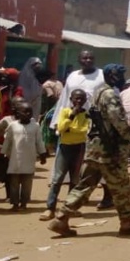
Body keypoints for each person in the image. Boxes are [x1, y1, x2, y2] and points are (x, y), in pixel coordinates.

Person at [47, 63, 130, 237]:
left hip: (96, 148)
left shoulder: (99, 91)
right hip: (110, 150)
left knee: (85, 185)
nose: (122, 79)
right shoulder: (109, 94)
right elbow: (118, 121)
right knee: (121, 186)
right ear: (113, 76)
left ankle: (61, 218)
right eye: (120, 75)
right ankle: (127, 223)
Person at [48, 50, 113, 209]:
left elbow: (110, 97)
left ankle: (107, 196)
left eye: (91, 57)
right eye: (84, 57)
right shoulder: (73, 76)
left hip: (96, 123)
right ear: (79, 60)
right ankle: (64, 201)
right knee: (70, 166)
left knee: (97, 161)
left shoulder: (102, 75)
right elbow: (64, 98)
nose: (88, 60)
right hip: (72, 123)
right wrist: (57, 122)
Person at [41, 89, 89, 220]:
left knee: (74, 180)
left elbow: (85, 130)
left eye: (81, 98)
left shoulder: (86, 115)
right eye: (76, 98)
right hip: (64, 148)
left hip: (79, 148)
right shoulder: (65, 112)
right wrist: (72, 116)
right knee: (57, 179)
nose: (79, 101)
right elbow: (61, 128)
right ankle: (50, 208)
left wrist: (70, 129)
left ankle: (69, 208)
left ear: (85, 100)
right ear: (71, 100)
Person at [3, 101, 47, 211]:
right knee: (14, 184)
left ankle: (24, 203)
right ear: (17, 114)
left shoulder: (35, 126)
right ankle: (15, 204)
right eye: (25, 112)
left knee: (27, 184)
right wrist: (4, 154)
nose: (27, 114)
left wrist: (42, 154)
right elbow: (7, 141)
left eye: (30, 112)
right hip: (14, 160)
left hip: (29, 160)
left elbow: (39, 142)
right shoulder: (13, 126)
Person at [0, 96, 26, 202]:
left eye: (23, 102)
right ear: (13, 107)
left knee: (14, 176)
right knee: (2, 173)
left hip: (20, 154)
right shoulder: (7, 120)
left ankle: (12, 196)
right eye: (19, 103)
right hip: (6, 154)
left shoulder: (28, 120)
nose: (23, 105)